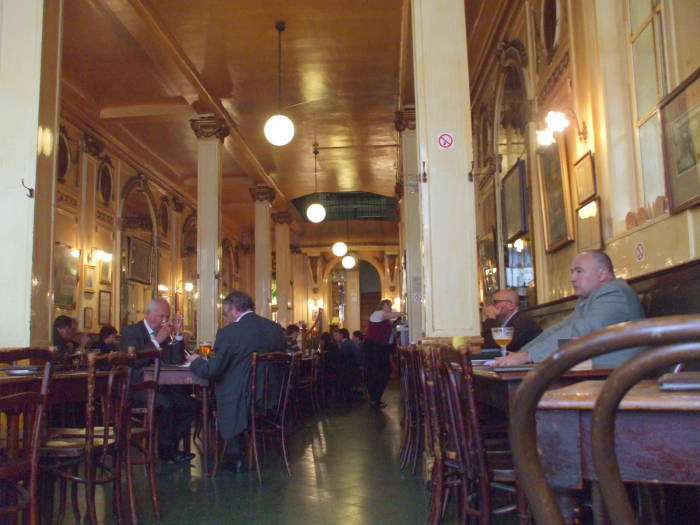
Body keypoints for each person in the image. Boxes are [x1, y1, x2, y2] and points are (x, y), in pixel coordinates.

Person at [186, 290, 286, 473]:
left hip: (243, 400)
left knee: (225, 390)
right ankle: (239, 450)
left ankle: (234, 454)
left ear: (233, 309)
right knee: (234, 385)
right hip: (271, 398)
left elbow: (212, 370)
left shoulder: (230, 332)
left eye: (226, 315)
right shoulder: (274, 328)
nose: (227, 319)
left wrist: (196, 361)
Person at [492, 251, 645, 368]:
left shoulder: (614, 292)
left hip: (619, 376)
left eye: (579, 271)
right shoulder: (589, 298)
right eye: (572, 272)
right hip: (591, 369)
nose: (572, 278)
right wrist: (523, 353)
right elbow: (561, 328)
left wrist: (529, 356)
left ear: (602, 274)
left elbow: (581, 331)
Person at [121, 297, 197, 463]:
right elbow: (133, 360)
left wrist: (177, 335)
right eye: (161, 316)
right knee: (166, 404)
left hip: (162, 385)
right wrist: (157, 341)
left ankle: (167, 445)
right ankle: (167, 450)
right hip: (137, 387)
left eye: (167, 317)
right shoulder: (131, 332)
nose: (164, 321)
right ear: (148, 313)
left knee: (191, 405)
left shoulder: (165, 334)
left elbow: (175, 360)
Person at [364, 299, 404, 408]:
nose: (390, 307)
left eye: (390, 305)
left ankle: (375, 398)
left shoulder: (385, 319)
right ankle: (374, 399)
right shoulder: (377, 314)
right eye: (388, 305)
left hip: (380, 347)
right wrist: (403, 312)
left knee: (383, 372)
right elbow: (388, 316)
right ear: (383, 305)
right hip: (373, 347)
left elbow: (389, 332)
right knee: (376, 372)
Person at [334, 328, 362, 400]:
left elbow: (342, 358)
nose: (337, 336)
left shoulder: (346, 344)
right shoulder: (349, 343)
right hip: (355, 368)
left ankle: (340, 395)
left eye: (338, 334)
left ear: (342, 335)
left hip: (350, 370)